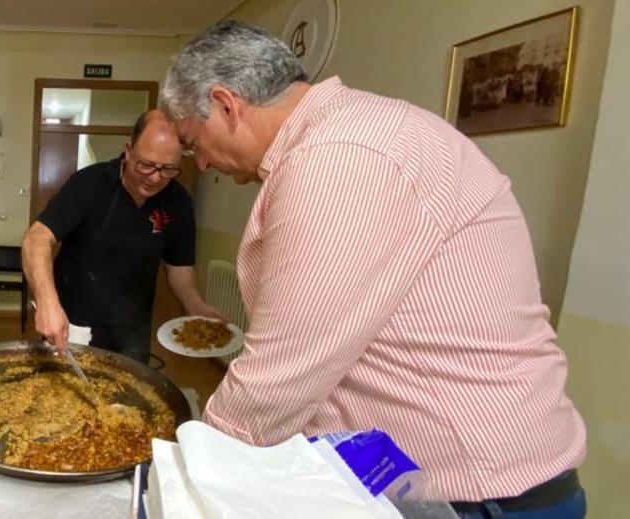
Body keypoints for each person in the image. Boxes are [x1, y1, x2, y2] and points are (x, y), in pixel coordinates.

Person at [160, 21, 587, 517]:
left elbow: (282, 373)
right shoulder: (358, 132)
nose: (204, 165)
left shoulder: (339, 157)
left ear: (227, 104)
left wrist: (186, 476)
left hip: (481, 496)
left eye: (194, 143)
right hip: (436, 483)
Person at [22, 110, 225, 364]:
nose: (154, 177)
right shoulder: (89, 184)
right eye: (146, 165)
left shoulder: (178, 201)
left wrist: (196, 305)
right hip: (72, 326)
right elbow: (36, 239)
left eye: (168, 170)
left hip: (132, 334)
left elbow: (179, 267)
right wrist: (47, 301)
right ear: (128, 151)